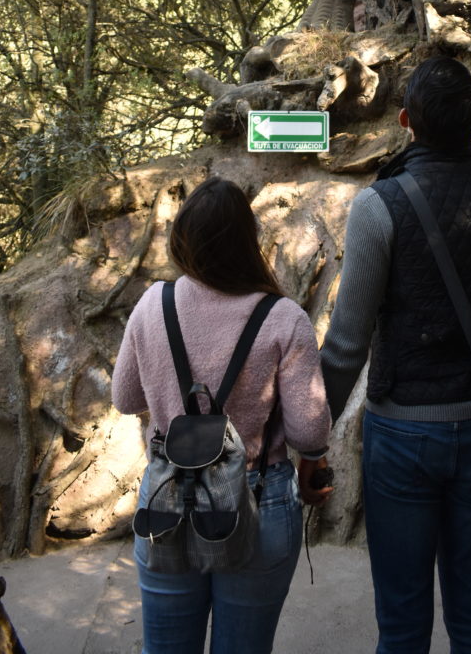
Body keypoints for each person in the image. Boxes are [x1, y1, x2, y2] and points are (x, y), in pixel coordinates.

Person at [320, 56, 471, 654]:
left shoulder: (380, 206)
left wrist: (312, 437)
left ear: (405, 121)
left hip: (402, 434)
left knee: (402, 624)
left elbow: (345, 347)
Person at [112, 175, 332, 654]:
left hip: (168, 499)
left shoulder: (153, 305)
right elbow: (308, 429)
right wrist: (314, 460)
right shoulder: (283, 316)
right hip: (258, 498)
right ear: (247, 242)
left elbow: (125, 398)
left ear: (182, 240)